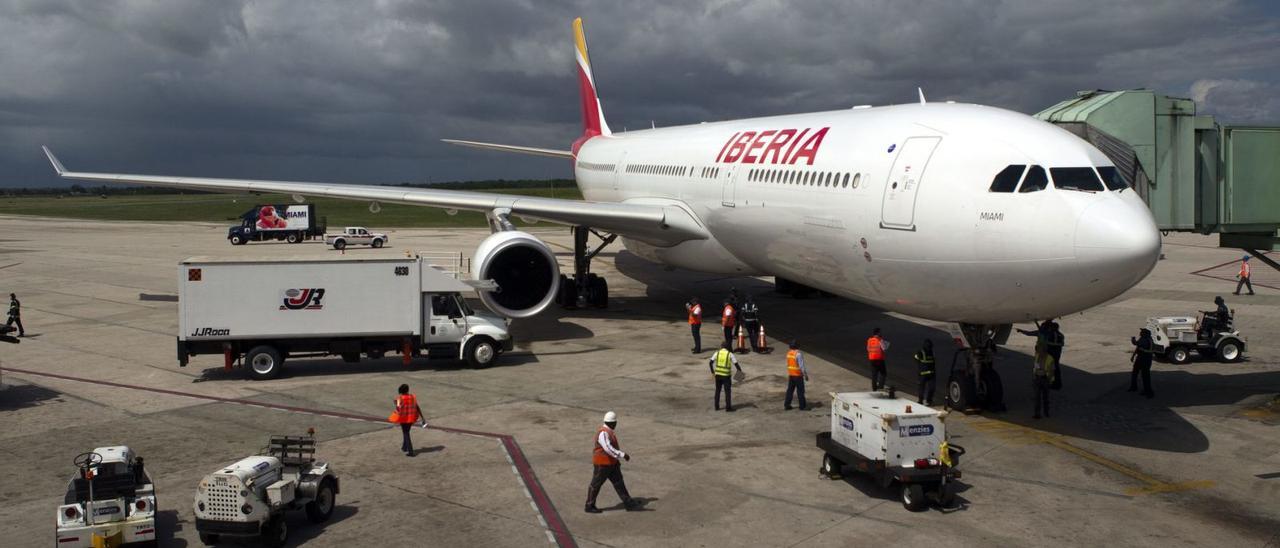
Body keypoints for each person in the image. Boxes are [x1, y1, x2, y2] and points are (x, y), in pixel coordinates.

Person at [585, 411, 640, 513]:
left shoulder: (608, 431)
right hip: (602, 465)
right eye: (615, 423)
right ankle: (589, 505)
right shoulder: (603, 433)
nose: (616, 424)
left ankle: (628, 503)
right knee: (596, 484)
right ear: (611, 423)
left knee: (619, 482)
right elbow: (608, 448)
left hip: (611, 464)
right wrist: (622, 454)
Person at [387, 384, 425, 456]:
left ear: (400, 391)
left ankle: (410, 451)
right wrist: (422, 417)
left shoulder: (399, 399)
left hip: (403, 419)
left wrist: (395, 403)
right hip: (411, 418)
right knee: (406, 432)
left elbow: (398, 409)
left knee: (406, 433)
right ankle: (404, 447)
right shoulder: (412, 397)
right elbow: (417, 407)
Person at [709, 342, 744, 411]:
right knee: (727, 392)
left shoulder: (717, 353)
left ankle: (716, 406)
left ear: (721, 347)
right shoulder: (730, 354)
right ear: (728, 347)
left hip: (718, 375)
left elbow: (710, 363)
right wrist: (739, 378)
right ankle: (728, 408)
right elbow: (737, 366)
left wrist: (713, 372)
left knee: (717, 390)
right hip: (726, 376)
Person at [1031, 337, 1055, 419]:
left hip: (1045, 379)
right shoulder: (1037, 356)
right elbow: (1034, 366)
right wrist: (1034, 376)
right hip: (1037, 378)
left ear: (1044, 350)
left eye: (1039, 349)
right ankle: (1037, 414)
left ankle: (1046, 412)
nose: (1037, 351)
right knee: (1037, 397)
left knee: (1045, 397)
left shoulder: (1050, 358)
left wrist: (1049, 380)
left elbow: (1052, 370)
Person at [1129, 328, 1155, 398]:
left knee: (1145, 376)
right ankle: (1133, 387)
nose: (1140, 333)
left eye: (1142, 332)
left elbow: (1151, 351)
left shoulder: (1149, 340)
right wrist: (1133, 356)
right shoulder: (1142, 338)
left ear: (1145, 333)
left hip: (1146, 360)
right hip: (1139, 358)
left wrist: (1144, 350)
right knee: (1134, 373)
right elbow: (1137, 346)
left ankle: (1149, 392)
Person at [784, 341, 809, 410]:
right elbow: (801, 366)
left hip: (791, 375)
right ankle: (802, 406)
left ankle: (787, 404)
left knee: (790, 390)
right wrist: (805, 375)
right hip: (798, 376)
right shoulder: (798, 354)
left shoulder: (788, 353)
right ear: (797, 346)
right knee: (800, 391)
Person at [913, 339, 936, 406]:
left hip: (931, 374)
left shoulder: (932, 352)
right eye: (929, 347)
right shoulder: (920, 352)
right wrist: (921, 367)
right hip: (923, 374)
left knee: (932, 388)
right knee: (922, 388)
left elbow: (933, 362)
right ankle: (920, 400)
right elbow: (916, 358)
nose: (930, 348)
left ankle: (929, 400)